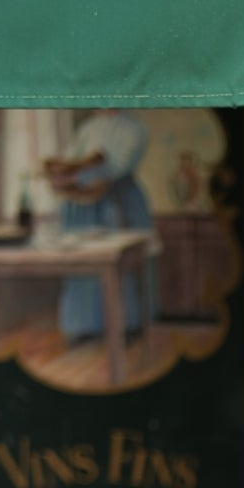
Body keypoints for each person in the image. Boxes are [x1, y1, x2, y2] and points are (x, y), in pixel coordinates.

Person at [42, 110, 156, 341]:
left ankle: (126, 327)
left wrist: (76, 177)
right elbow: (71, 158)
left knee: (120, 267)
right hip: (83, 206)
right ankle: (83, 328)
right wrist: (65, 174)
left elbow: (119, 165)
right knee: (83, 266)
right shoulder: (87, 129)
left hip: (119, 203)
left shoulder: (134, 129)